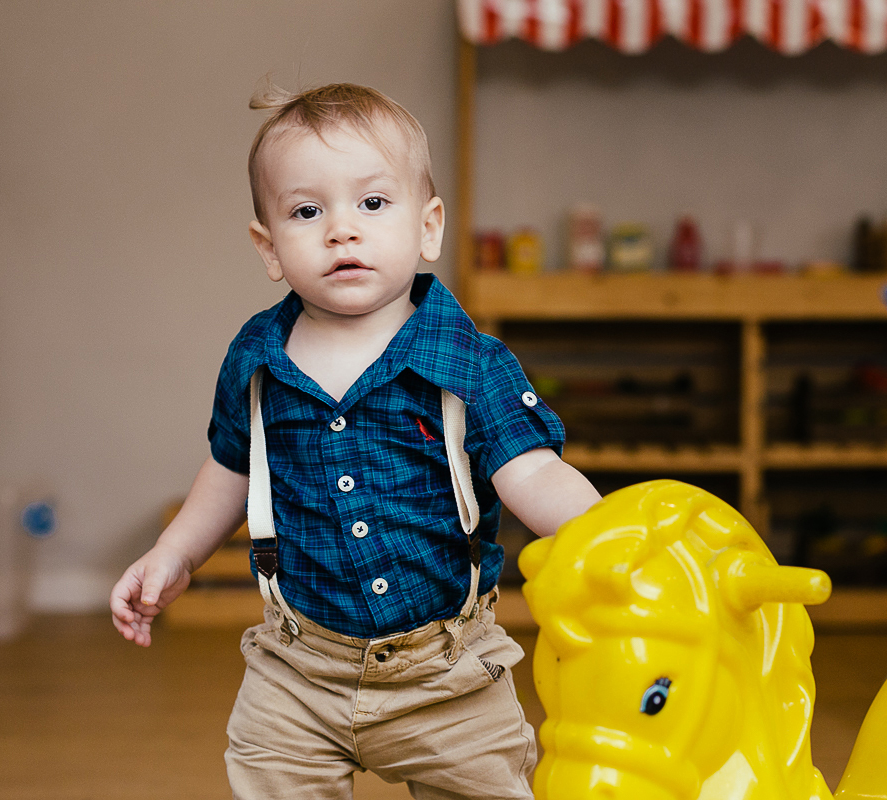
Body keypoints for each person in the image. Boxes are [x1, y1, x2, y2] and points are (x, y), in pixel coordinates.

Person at [109, 82, 602, 800]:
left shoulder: (470, 362)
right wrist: (173, 553)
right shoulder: (256, 360)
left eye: (372, 203)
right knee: (270, 777)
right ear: (268, 246)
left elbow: (534, 474)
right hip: (298, 669)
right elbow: (230, 471)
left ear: (428, 226)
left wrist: (611, 539)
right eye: (307, 211)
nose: (342, 229)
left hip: (448, 675)